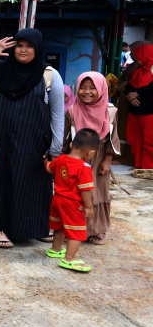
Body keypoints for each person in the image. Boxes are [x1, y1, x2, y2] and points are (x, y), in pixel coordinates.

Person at [0, 30, 64, 247]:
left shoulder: (49, 75)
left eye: (29, 46)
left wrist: (55, 148)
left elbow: (58, 113)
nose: (23, 50)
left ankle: (33, 228)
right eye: (19, 45)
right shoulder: (1, 69)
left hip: (33, 140)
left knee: (30, 183)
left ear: (38, 49)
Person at [62, 72, 120, 246]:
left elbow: (113, 138)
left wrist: (107, 160)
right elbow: (65, 138)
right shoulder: (71, 111)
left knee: (97, 192)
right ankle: (73, 228)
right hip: (76, 159)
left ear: (102, 89)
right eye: (82, 88)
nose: (86, 92)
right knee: (75, 193)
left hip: (100, 157)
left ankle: (98, 230)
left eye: (92, 88)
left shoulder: (110, 112)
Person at [44, 128, 99, 273]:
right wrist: (88, 207)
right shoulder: (84, 167)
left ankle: (56, 249)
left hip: (57, 200)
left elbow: (49, 168)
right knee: (77, 232)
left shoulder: (61, 159)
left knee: (59, 226)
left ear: (70, 145)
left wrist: (45, 159)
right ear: (91, 152)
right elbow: (85, 189)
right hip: (72, 204)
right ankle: (69, 258)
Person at [125, 43, 153, 170]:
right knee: (134, 139)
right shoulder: (136, 71)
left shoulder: (152, 71)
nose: (136, 58)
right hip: (134, 111)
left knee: (149, 141)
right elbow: (128, 88)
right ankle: (138, 165)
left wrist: (137, 94)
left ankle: (148, 167)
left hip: (148, 112)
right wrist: (131, 97)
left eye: (139, 56)